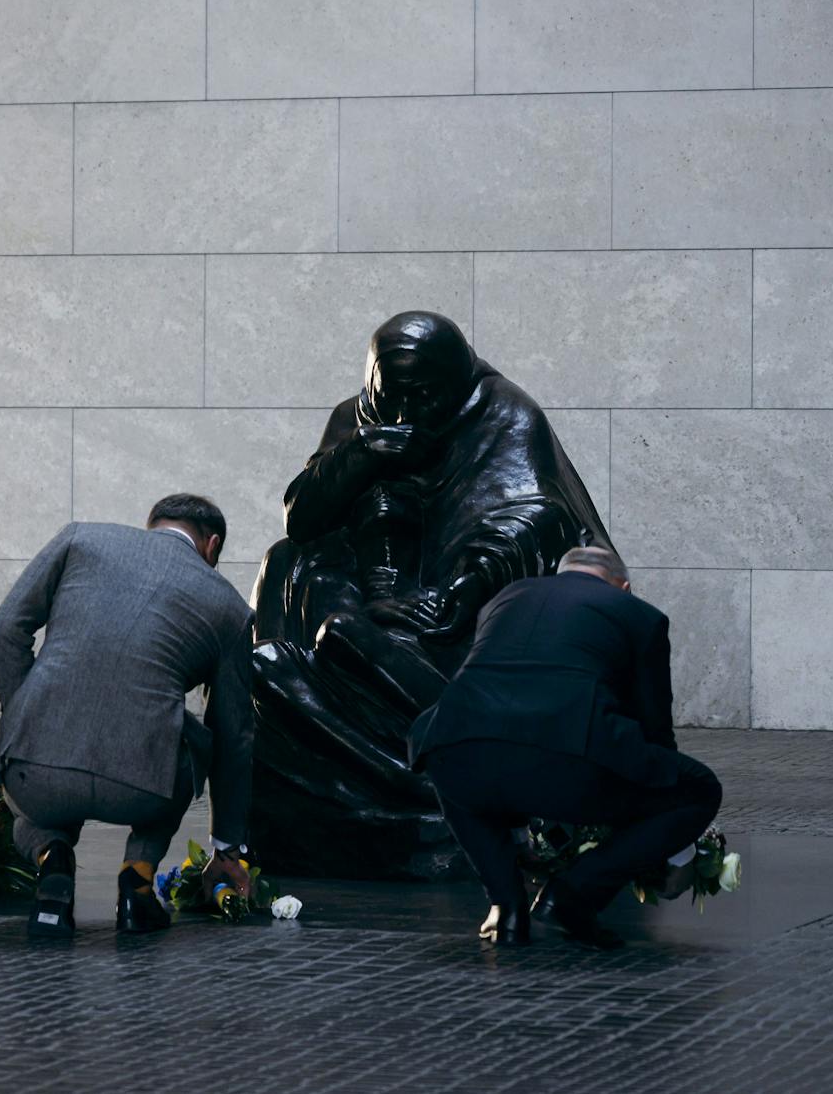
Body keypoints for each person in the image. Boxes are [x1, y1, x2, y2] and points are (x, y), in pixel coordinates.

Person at [250, 310, 614, 878]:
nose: (402, 413)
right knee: (289, 564)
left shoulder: (505, 413)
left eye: (420, 397)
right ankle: (317, 687)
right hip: (371, 589)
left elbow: (536, 514)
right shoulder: (357, 418)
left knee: (360, 640)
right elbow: (305, 518)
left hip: (458, 601)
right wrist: (362, 452)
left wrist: (462, 589)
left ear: (452, 385)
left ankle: (431, 737)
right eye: (387, 394)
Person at [410, 545, 722, 949]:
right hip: (567, 760)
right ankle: (572, 896)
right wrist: (678, 850)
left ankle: (506, 907)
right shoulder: (640, 615)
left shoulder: (504, 599)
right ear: (622, 587)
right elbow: (655, 734)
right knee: (698, 790)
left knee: (461, 772)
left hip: (454, 742)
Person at [0, 494, 256, 938]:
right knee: (196, 742)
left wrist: (24, 714)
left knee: (34, 802)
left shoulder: (82, 538)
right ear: (211, 547)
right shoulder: (231, 609)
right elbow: (234, 734)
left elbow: (5, 627)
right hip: (142, 788)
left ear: (149, 525)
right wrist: (227, 849)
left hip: (37, 779)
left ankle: (51, 859)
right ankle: (138, 882)